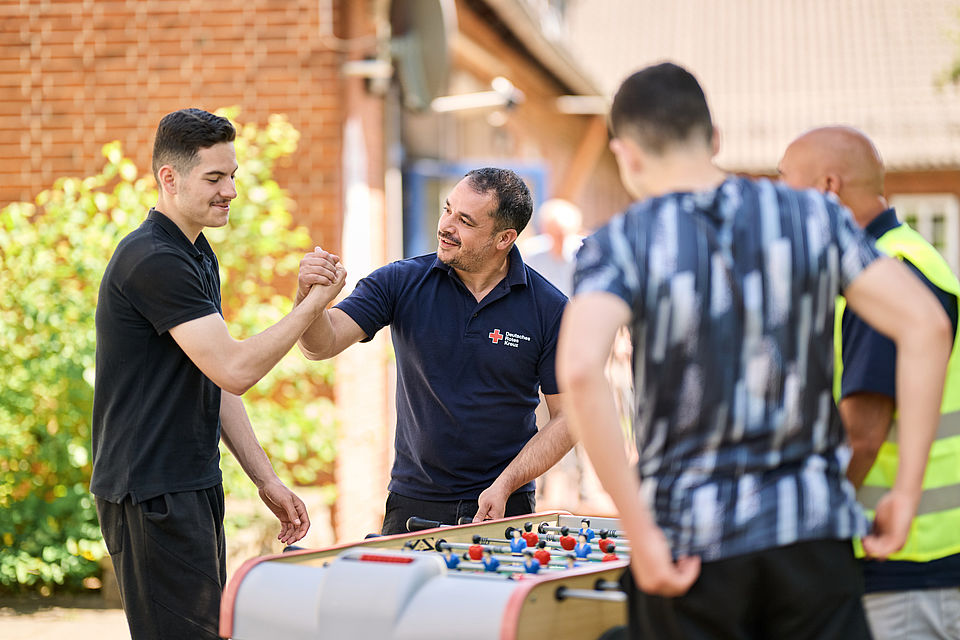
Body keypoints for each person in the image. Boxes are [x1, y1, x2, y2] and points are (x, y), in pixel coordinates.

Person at [557, 62, 952, 639]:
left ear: (627, 154)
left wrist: (638, 533)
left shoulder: (622, 242)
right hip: (812, 537)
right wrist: (906, 492)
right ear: (715, 139)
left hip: (691, 545)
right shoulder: (813, 215)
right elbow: (926, 327)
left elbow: (580, 369)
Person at [91, 108, 346, 639]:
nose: (230, 189)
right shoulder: (153, 259)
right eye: (214, 177)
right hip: (151, 489)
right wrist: (310, 306)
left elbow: (213, 378)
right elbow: (236, 369)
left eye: (233, 175)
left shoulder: (195, 254)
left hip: (192, 480)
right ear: (170, 177)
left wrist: (266, 480)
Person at [296, 167, 573, 535]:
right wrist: (308, 299)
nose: (445, 225)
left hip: (504, 504)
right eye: (447, 209)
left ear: (504, 238)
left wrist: (506, 484)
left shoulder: (549, 309)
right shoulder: (399, 282)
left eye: (465, 220)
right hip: (412, 502)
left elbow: (568, 418)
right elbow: (321, 344)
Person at [780, 126, 960, 640]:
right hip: (912, 554)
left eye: (787, 186)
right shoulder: (903, 257)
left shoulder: (884, 274)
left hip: (902, 562)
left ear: (827, 189)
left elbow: (862, 434)